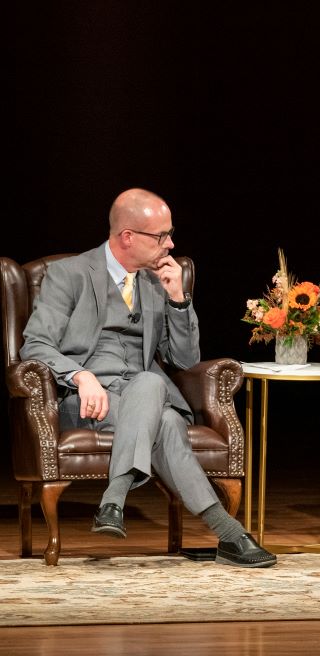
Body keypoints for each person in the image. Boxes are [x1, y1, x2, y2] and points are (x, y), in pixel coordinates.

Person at [20, 188, 276, 568]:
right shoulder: (68, 275)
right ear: (128, 237)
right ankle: (229, 534)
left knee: (153, 388)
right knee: (164, 412)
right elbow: (35, 345)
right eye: (161, 236)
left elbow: (185, 359)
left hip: (145, 393)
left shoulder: (160, 281)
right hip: (90, 403)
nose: (170, 244)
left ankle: (113, 501)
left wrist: (178, 301)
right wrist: (81, 376)